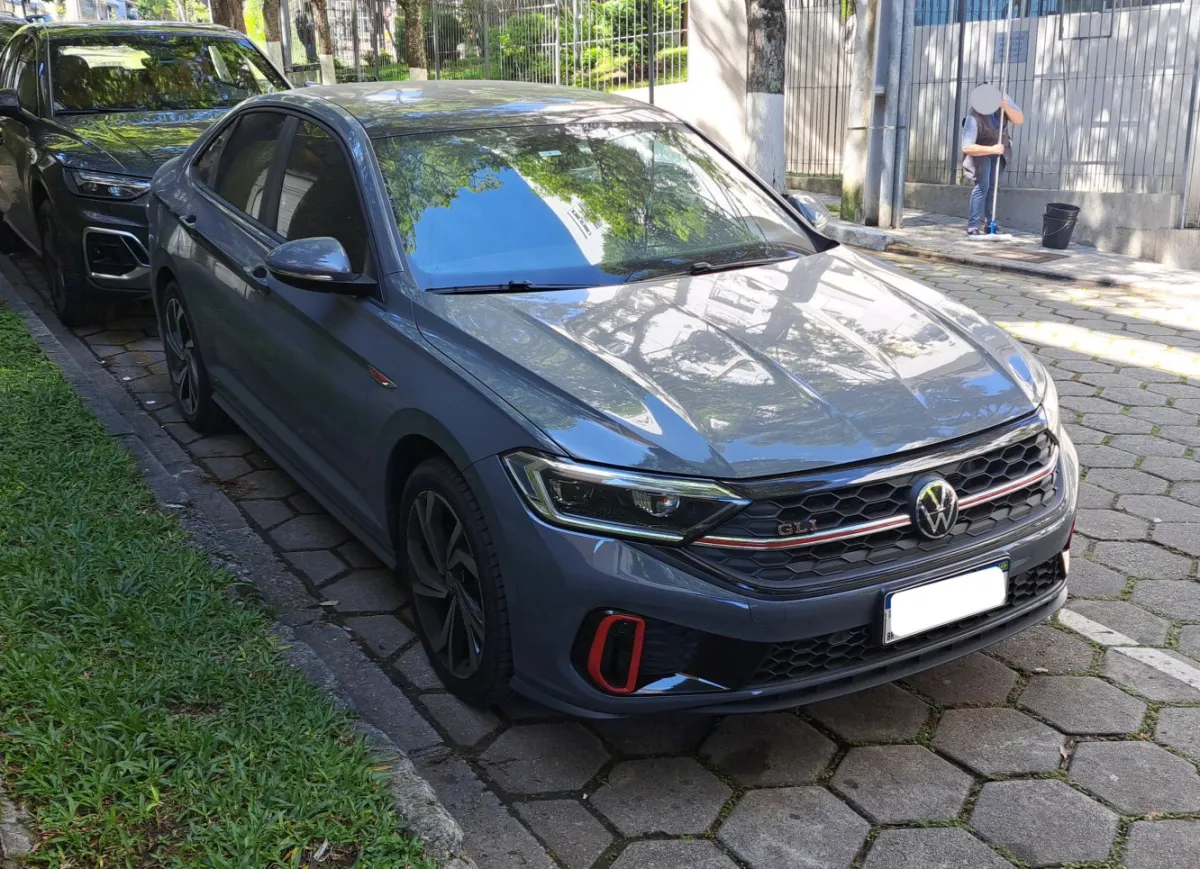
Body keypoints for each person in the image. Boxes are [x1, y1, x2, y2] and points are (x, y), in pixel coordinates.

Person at [961, 89, 1024, 236]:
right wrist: (992, 149)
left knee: (993, 187)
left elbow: (1019, 119)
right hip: (981, 153)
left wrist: (1006, 106)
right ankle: (972, 226)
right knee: (982, 186)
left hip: (1000, 151)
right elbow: (967, 147)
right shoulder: (973, 118)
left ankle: (991, 224)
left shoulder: (1002, 105)